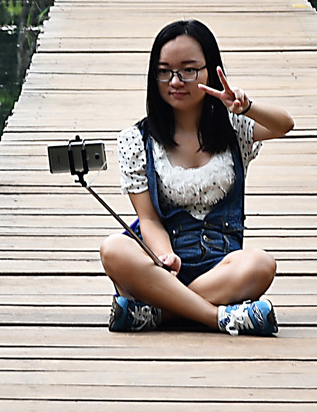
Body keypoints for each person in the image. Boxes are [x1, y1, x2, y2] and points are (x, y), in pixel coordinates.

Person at [100, 19, 294, 336]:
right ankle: (219, 317)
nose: (175, 81)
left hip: (221, 269)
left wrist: (246, 107)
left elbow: (284, 125)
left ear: (210, 70)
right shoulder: (136, 140)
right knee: (113, 249)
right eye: (164, 71)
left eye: (188, 70)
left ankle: (157, 313)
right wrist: (164, 256)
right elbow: (147, 219)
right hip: (162, 268)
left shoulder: (235, 130)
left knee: (261, 265)